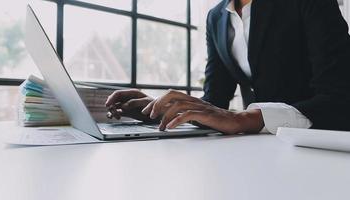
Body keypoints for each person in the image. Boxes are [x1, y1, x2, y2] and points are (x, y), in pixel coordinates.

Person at [105, 0, 350, 134]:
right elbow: (215, 103)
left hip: (321, 141)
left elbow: (339, 98)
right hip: (259, 148)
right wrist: (159, 108)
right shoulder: (216, 17)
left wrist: (244, 118)